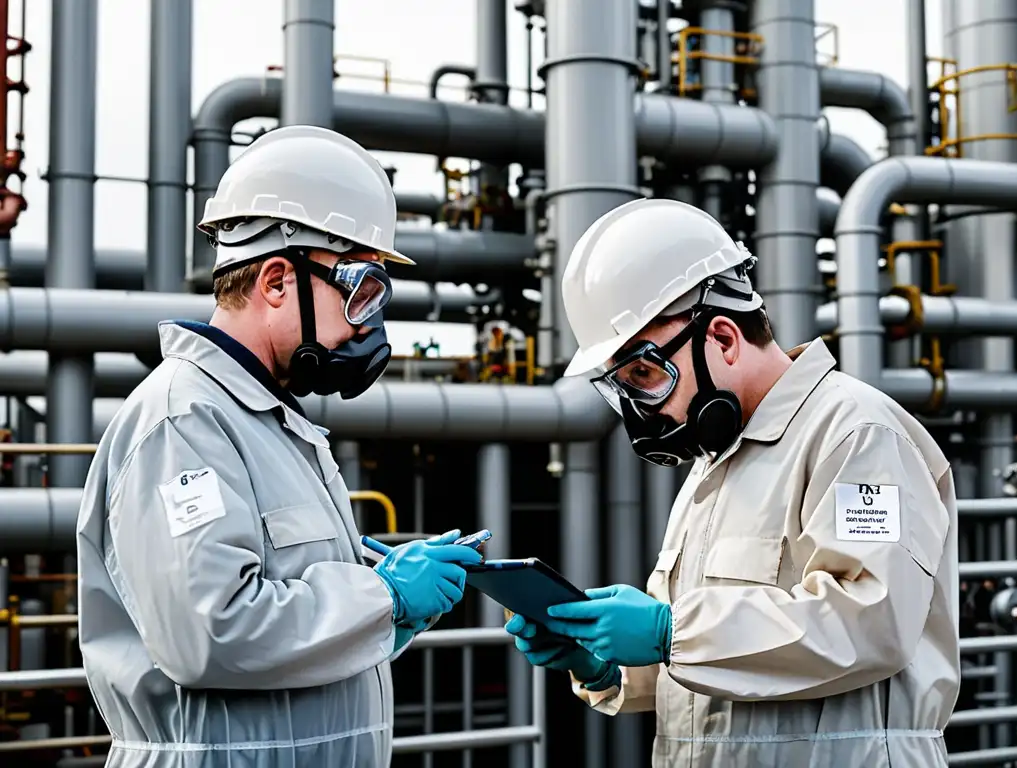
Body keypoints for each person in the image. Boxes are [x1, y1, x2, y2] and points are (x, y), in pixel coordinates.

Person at [76, 125, 483, 767]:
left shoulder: (273, 425)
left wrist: (382, 603)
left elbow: (288, 631)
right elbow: (210, 633)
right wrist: (386, 596)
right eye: (360, 292)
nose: (365, 326)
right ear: (274, 281)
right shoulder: (184, 422)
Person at [505, 199, 960, 766]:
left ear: (722, 337)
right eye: (623, 386)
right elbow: (713, 668)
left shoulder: (857, 433)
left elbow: (871, 623)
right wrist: (601, 660)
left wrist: (670, 632)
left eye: (645, 375)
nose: (644, 410)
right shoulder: (716, 463)